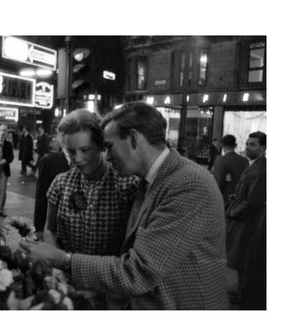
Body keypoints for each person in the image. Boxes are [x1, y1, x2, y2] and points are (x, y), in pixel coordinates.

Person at [21, 102, 228, 310]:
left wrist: (63, 259)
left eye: (109, 146)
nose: (108, 156)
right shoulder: (152, 180)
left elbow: (139, 271)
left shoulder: (187, 183)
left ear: (134, 139)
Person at [42, 109, 139, 257]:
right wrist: (55, 263)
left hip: (109, 275)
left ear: (101, 145)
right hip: (66, 275)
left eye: (85, 150)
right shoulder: (60, 183)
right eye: (71, 152)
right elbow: (50, 230)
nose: (78, 158)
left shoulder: (127, 184)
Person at [225, 131, 266, 307]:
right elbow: (244, 193)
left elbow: (253, 201)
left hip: (250, 223)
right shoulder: (252, 165)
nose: (248, 147)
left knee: (247, 259)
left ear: (263, 148)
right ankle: (242, 292)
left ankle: (246, 297)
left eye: (253, 144)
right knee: (241, 259)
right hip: (244, 220)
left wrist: (232, 213)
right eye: (247, 144)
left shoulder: (262, 168)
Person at [33, 146, 71, 236]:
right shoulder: (48, 161)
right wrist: (39, 228)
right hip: (56, 228)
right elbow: (41, 196)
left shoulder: (89, 161)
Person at [212, 134, 249, 206]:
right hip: (241, 197)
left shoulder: (220, 160)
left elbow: (218, 182)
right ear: (235, 145)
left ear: (222, 145)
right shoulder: (245, 161)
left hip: (226, 198)